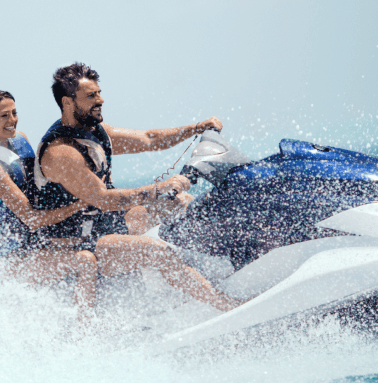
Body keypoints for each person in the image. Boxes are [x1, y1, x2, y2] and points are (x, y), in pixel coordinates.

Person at [34, 63, 238, 312]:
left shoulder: (96, 132)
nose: (101, 99)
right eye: (91, 96)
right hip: (76, 243)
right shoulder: (61, 152)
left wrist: (195, 129)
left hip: (105, 225)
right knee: (159, 252)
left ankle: (225, 268)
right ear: (68, 102)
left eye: (99, 92)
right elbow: (103, 199)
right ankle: (226, 306)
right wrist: (157, 189)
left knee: (181, 202)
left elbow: (149, 139)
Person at [0, 89, 99, 326]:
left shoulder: (21, 140)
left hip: (33, 243)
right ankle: (84, 332)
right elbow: (32, 218)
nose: (12, 120)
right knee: (85, 260)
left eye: (14, 113)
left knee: (95, 239)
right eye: (3, 116)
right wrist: (84, 202)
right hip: (6, 262)